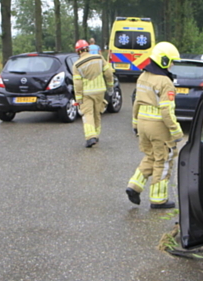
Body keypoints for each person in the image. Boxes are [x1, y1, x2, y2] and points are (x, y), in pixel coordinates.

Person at [126, 42, 184, 209]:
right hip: (158, 125)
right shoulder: (165, 82)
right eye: (171, 61)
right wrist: (176, 131)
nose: (172, 65)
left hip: (143, 123)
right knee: (164, 159)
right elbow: (166, 111)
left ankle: (134, 186)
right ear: (164, 60)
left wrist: (135, 123)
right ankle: (158, 199)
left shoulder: (143, 76)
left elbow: (136, 102)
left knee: (150, 156)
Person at [73, 39, 114, 148]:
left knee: (88, 114)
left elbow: (77, 83)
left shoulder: (77, 65)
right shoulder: (99, 58)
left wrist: (78, 98)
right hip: (100, 91)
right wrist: (110, 87)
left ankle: (90, 137)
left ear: (78, 51)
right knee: (97, 113)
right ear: (88, 48)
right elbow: (108, 73)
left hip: (87, 93)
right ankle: (96, 135)